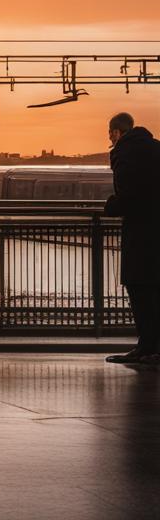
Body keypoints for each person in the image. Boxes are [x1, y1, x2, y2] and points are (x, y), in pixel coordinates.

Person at [103, 113, 160, 365]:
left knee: (140, 290)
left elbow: (129, 196)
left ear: (116, 132)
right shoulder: (156, 148)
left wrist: (111, 206)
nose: (110, 139)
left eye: (110, 133)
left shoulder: (125, 154)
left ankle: (147, 347)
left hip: (141, 233)